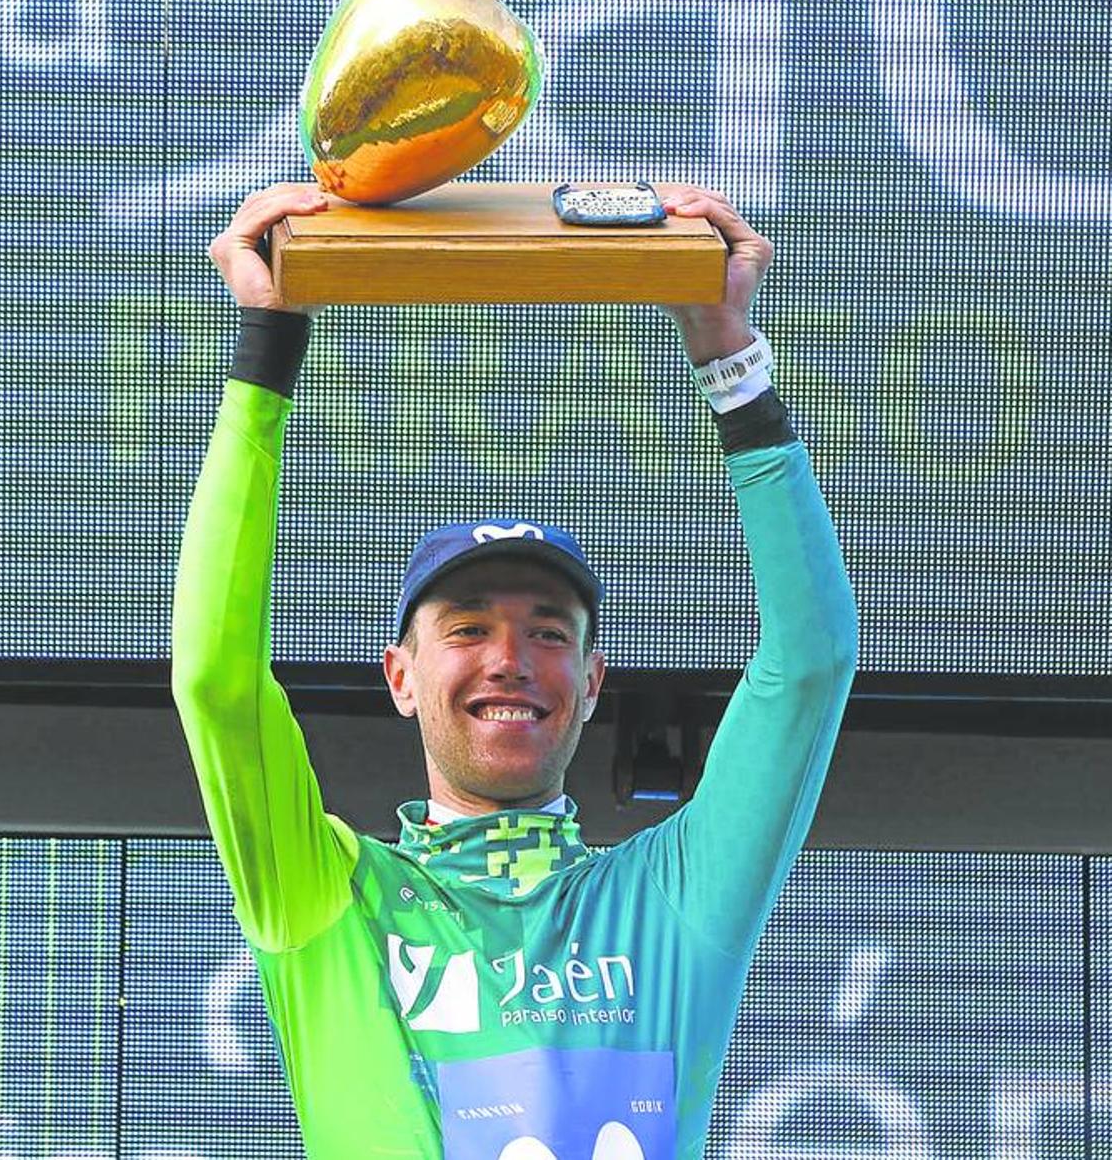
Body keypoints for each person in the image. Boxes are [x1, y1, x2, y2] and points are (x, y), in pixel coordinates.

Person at [173, 182, 858, 1160]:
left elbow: (810, 662)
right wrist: (265, 349)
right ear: (400, 676)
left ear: (591, 680)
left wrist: (730, 360)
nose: (509, 659)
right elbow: (216, 681)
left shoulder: (671, 898)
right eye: (465, 628)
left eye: (546, 631)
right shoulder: (327, 897)